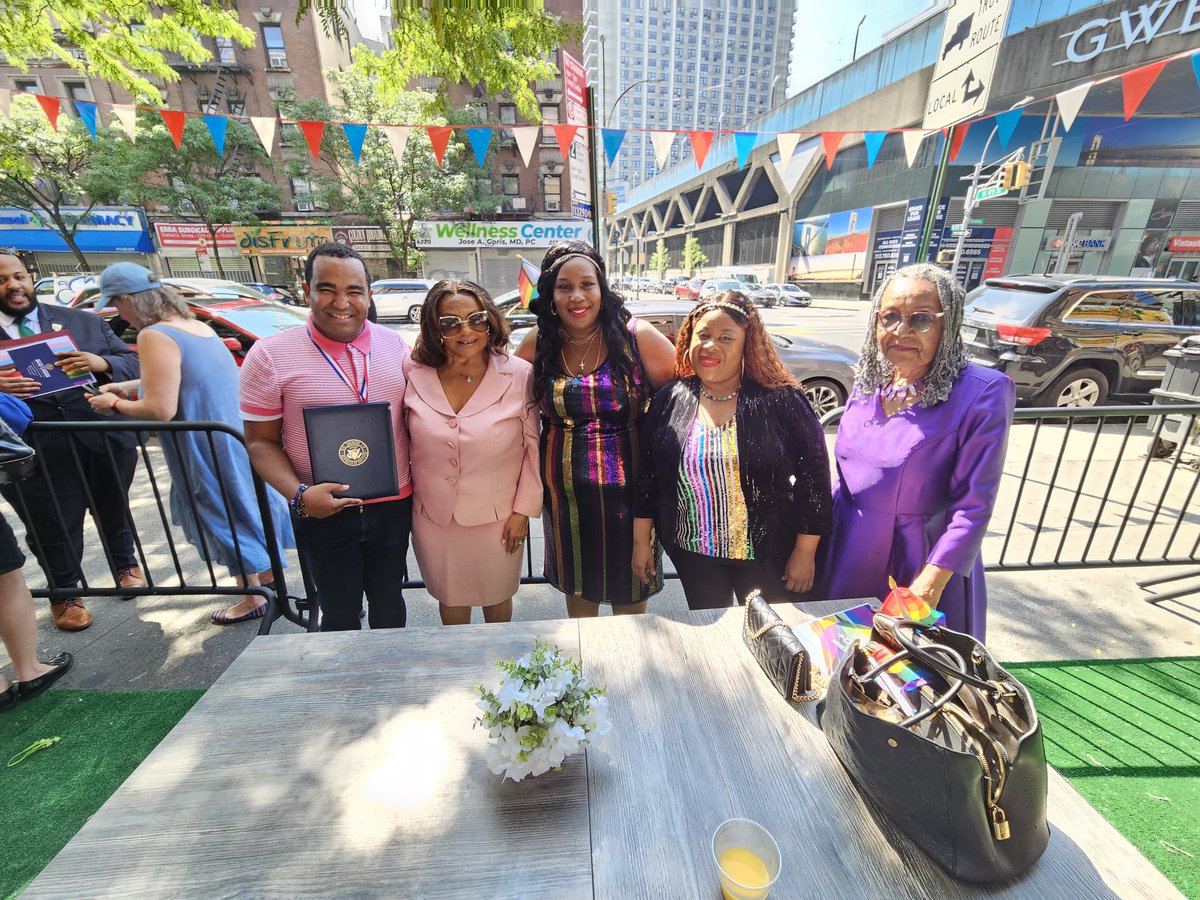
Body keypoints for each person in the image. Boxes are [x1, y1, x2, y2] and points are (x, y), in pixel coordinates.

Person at [85, 264, 294, 625]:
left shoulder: (155, 335)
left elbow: (160, 408)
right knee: (244, 508)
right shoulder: (196, 327)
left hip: (202, 444)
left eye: (116, 304)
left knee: (221, 513)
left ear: (129, 300)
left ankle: (251, 597)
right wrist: (130, 386)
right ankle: (266, 582)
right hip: (231, 435)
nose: (118, 313)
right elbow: (185, 380)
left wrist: (113, 404)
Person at [819, 263, 1015, 640]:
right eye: (889, 317)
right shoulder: (869, 383)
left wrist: (932, 580)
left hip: (916, 560)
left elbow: (974, 505)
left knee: (910, 675)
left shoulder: (982, 391)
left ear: (949, 323)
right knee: (840, 657)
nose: (901, 330)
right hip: (845, 548)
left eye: (921, 319)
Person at [240, 243, 413, 631]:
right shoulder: (269, 356)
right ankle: (344, 689)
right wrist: (299, 496)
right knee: (339, 612)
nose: (341, 302)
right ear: (307, 291)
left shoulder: (396, 346)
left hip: (393, 505)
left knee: (390, 603)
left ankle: (395, 685)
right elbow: (259, 442)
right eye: (327, 288)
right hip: (322, 510)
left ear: (368, 294)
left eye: (354, 290)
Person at [633, 291, 831, 609]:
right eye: (704, 335)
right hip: (694, 554)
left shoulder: (781, 400)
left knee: (771, 640)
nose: (711, 346)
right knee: (712, 643)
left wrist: (805, 553)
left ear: (746, 344)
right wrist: (641, 543)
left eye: (726, 337)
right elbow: (647, 476)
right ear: (689, 339)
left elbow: (815, 480)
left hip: (768, 555)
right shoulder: (671, 398)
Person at [515, 241, 675, 618]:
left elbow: (687, 401)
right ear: (550, 295)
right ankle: (587, 678)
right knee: (580, 613)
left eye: (587, 284)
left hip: (634, 504)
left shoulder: (638, 338)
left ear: (602, 288)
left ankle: (627, 678)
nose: (577, 296)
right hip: (565, 503)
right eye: (564, 286)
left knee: (630, 613)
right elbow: (501, 404)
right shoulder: (537, 344)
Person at [0, 252, 142, 632]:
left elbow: (134, 364)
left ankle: (125, 565)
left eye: (19, 276)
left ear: (30, 278)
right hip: (33, 448)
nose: (14, 285)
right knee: (51, 523)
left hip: (101, 435)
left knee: (113, 503)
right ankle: (65, 593)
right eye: (2, 280)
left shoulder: (82, 321)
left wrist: (102, 363)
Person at [403, 280, 541, 625]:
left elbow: (534, 448)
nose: (466, 330)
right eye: (450, 322)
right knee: (450, 601)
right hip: (434, 517)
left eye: (476, 318)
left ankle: (499, 673)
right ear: (435, 329)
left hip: (498, 519)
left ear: (490, 320)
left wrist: (522, 511)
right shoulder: (412, 373)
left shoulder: (520, 374)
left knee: (497, 601)